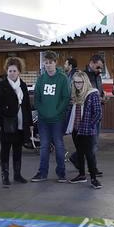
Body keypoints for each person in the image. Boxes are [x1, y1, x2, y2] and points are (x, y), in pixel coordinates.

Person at [0, 57, 32, 187]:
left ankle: (17, 174)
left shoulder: (23, 85)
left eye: (14, 70)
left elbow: (26, 106)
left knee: (18, 149)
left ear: (19, 71)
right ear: (6, 71)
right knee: (5, 150)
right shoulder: (1, 86)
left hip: (21, 122)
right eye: (10, 71)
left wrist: (29, 123)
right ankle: (5, 175)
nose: (12, 73)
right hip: (6, 123)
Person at [31, 51, 70, 183]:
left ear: (55, 63)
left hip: (57, 119)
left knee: (59, 145)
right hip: (43, 120)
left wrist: (57, 112)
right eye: (46, 63)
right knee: (44, 146)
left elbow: (66, 98)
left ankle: (61, 173)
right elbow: (37, 98)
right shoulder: (41, 79)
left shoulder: (63, 78)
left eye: (50, 62)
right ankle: (42, 173)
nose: (48, 65)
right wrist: (42, 112)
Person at [66, 70, 103, 188]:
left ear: (85, 81)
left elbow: (98, 113)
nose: (77, 84)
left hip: (87, 131)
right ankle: (81, 175)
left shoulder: (92, 94)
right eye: (75, 82)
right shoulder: (75, 94)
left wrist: (89, 125)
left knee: (89, 155)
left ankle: (93, 179)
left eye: (80, 82)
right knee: (80, 153)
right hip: (76, 129)